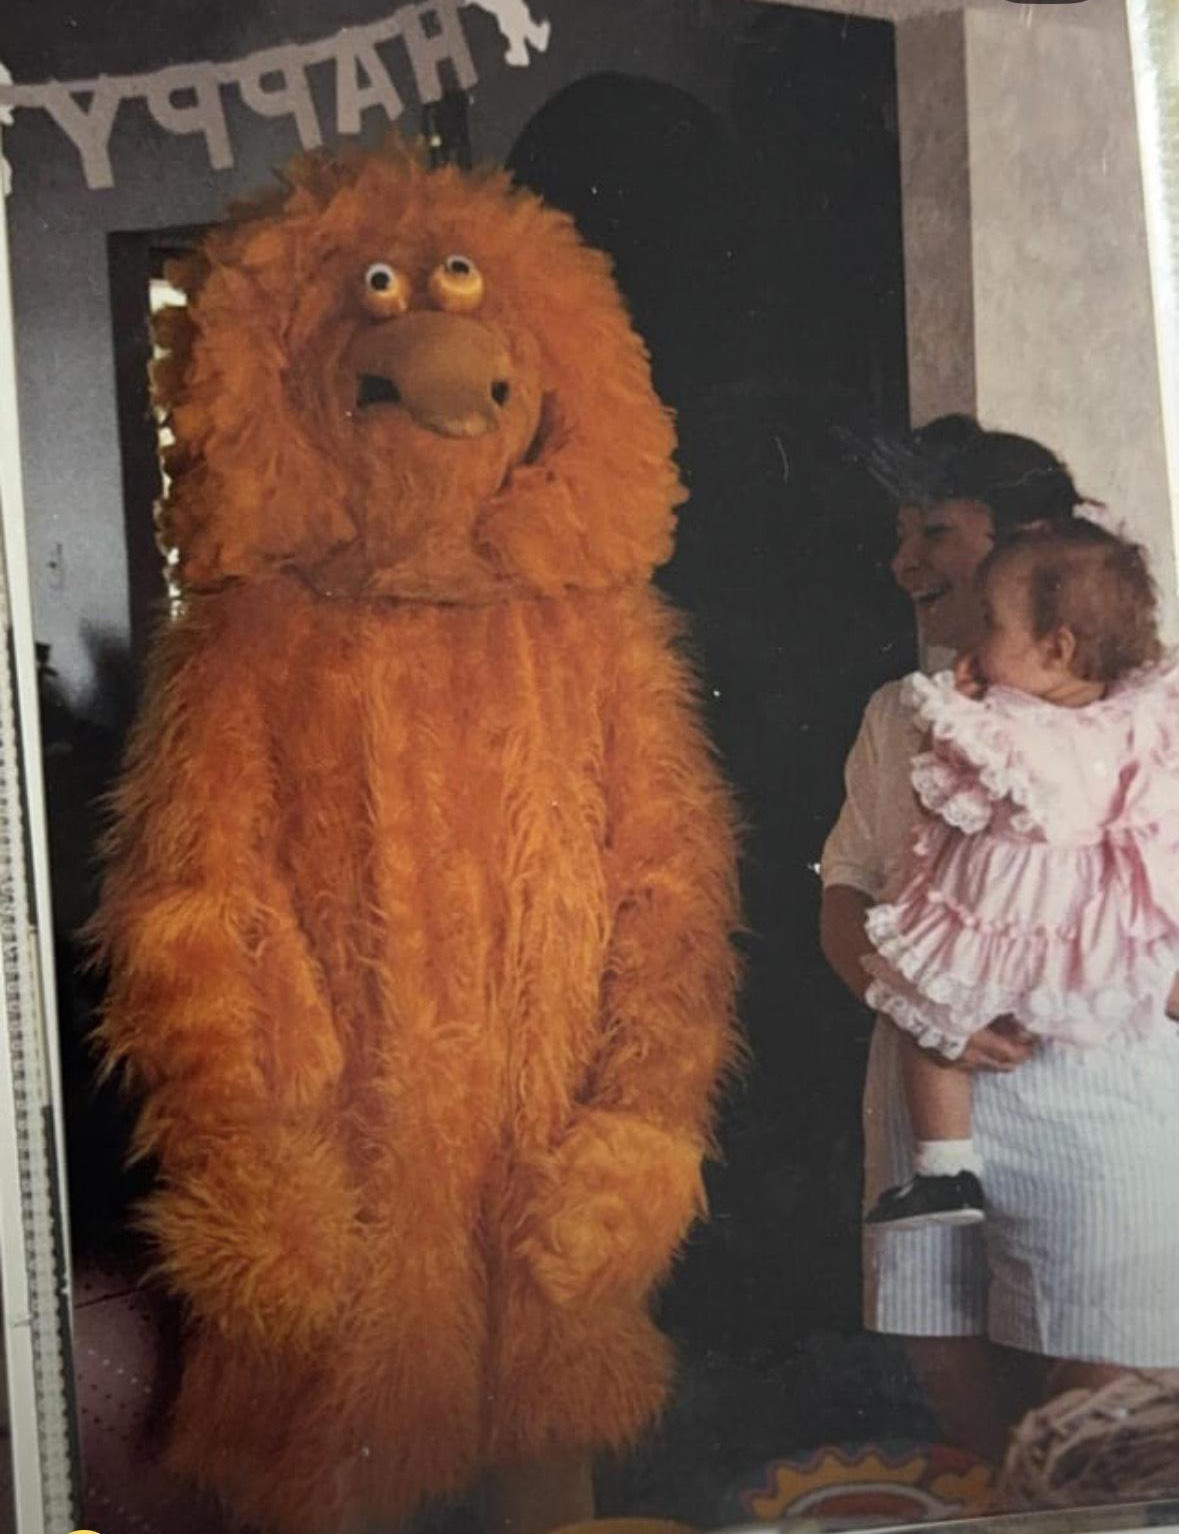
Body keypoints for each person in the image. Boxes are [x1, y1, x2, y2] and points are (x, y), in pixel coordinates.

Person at [819, 415, 1179, 1465]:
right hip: (939, 1113)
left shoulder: (1154, 720)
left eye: (933, 530)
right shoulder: (906, 711)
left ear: (1029, 541)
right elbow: (846, 886)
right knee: (979, 1427)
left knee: (1106, 1425)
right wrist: (906, 994)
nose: (903, 563)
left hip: (1099, 1106)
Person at [858, 518, 1179, 1229]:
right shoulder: (1136, 717)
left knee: (928, 1010)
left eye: (989, 625)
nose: (974, 642)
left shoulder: (998, 724)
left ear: (1054, 646)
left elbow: (938, 793)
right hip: (1091, 933)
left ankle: (944, 1169)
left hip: (997, 921)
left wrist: (965, 707)